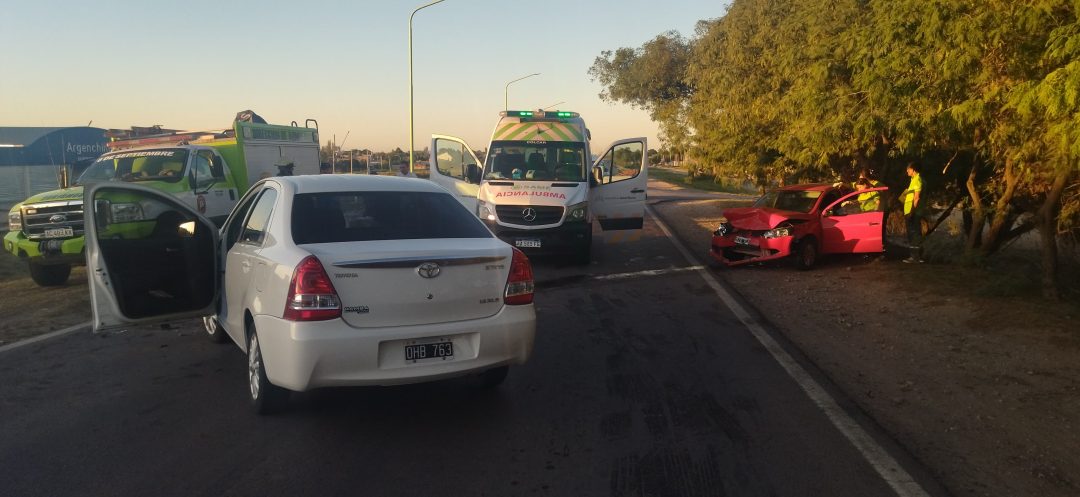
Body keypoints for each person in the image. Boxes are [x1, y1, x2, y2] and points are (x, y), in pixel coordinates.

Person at [901, 162, 924, 263]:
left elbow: (916, 198)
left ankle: (915, 257)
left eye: (908, 169)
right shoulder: (912, 180)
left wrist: (912, 212)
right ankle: (914, 256)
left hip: (912, 212)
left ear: (913, 170)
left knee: (913, 233)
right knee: (911, 234)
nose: (907, 171)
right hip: (908, 211)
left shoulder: (917, 180)